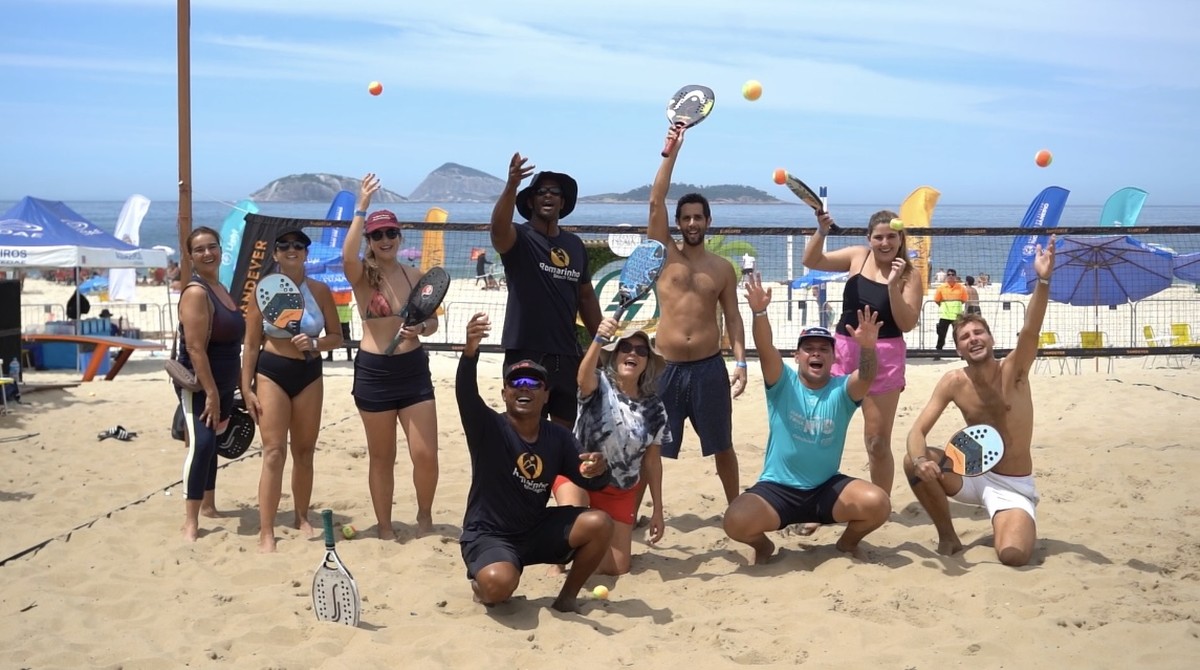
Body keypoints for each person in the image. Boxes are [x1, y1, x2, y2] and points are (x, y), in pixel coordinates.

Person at [904, 238, 1057, 567]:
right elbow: (917, 431)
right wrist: (920, 460)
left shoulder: (1014, 371)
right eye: (965, 337)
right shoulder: (953, 382)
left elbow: (1031, 329)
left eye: (978, 333)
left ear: (991, 339)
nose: (973, 339)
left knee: (1013, 556)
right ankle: (948, 536)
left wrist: (1042, 280)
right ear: (958, 349)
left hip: (1012, 484)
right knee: (911, 460)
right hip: (970, 475)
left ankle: (1009, 521)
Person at [723, 273, 890, 564]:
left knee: (878, 503)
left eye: (823, 349)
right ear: (797, 356)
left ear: (833, 358)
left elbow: (866, 376)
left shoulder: (841, 389)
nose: (816, 353)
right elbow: (765, 349)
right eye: (808, 349)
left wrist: (867, 346)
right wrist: (760, 312)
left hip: (826, 489)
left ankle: (846, 545)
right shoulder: (783, 382)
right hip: (778, 490)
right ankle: (764, 547)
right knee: (735, 521)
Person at [455, 312, 614, 612]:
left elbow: (588, 478)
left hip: (534, 529)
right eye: (516, 381)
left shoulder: (557, 436)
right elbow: (465, 393)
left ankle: (566, 598)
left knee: (600, 523)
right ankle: (482, 584)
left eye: (534, 382)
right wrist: (470, 351)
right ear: (504, 394)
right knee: (498, 585)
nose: (524, 386)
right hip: (489, 535)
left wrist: (599, 469)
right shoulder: (488, 427)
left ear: (546, 395)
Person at [647, 127, 748, 505]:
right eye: (685, 218)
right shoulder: (664, 254)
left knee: (722, 446)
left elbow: (734, 319)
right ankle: (636, 514)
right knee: (651, 446)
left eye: (698, 217)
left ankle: (736, 506)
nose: (692, 223)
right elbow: (655, 201)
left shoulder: (721, 268)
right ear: (678, 223)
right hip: (665, 368)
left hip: (709, 368)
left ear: (708, 221)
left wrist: (740, 361)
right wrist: (670, 153)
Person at [342, 174, 441, 539]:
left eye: (390, 234)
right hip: (375, 372)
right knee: (383, 458)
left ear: (399, 237)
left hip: (413, 370)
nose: (385, 240)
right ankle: (384, 527)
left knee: (425, 454)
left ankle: (425, 518)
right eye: (377, 235)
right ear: (369, 240)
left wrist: (423, 329)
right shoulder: (361, 275)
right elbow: (345, 254)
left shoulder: (415, 275)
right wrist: (361, 207)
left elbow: (430, 320)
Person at [802, 209, 923, 496]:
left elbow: (907, 323)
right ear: (869, 239)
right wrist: (821, 231)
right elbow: (811, 260)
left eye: (891, 237)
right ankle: (814, 498)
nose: (884, 243)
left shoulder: (909, 275)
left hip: (885, 357)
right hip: (844, 351)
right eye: (878, 237)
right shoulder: (858, 256)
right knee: (822, 433)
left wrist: (893, 286)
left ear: (900, 238)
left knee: (877, 443)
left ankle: (879, 504)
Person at [242, 228, 343, 552]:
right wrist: (246, 387)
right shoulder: (263, 291)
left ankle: (301, 517)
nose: (291, 249)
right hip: (272, 372)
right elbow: (251, 343)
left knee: (304, 451)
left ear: (306, 253)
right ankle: (267, 530)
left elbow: (337, 337)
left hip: (309, 374)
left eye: (298, 245)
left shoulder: (320, 290)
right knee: (273, 452)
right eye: (284, 245)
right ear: (274, 254)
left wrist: (314, 342)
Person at [490, 154, 602, 431]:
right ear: (531, 201)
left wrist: (603, 343)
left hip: (567, 354)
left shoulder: (575, 245)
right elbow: (497, 231)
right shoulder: (520, 237)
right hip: (525, 351)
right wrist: (512, 185)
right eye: (542, 192)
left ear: (563, 203)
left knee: (565, 437)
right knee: (526, 433)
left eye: (556, 193)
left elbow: (586, 296)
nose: (549, 197)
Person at [555, 317, 669, 575]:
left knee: (617, 568)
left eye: (641, 351)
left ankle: (580, 548)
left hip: (620, 489)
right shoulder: (598, 384)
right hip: (579, 476)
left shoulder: (655, 408)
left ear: (647, 363)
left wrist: (658, 511)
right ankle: (557, 558)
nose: (633, 353)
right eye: (625, 347)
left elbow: (652, 462)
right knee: (573, 514)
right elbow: (582, 377)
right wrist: (598, 339)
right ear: (615, 355)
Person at [175, 227, 246, 542]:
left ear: (220, 250)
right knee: (201, 444)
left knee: (214, 441)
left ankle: (210, 505)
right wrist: (213, 393)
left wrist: (240, 386)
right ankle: (191, 520)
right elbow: (194, 348)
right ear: (191, 257)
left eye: (212, 247)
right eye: (200, 249)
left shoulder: (221, 287)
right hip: (201, 384)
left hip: (226, 379)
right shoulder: (196, 291)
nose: (207, 253)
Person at [933, 269, 969, 352]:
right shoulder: (941, 288)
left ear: (955, 276)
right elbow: (937, 300)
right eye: (949, 274)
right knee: (941, 335)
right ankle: (938, 352)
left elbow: (964, 300)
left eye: (953, 275)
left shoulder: (961, 288)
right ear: (946, 276)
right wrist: (943, 306)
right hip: (944, 315)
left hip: (957, 316)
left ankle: (961, 352)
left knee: (958, 335)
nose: (951, 276)